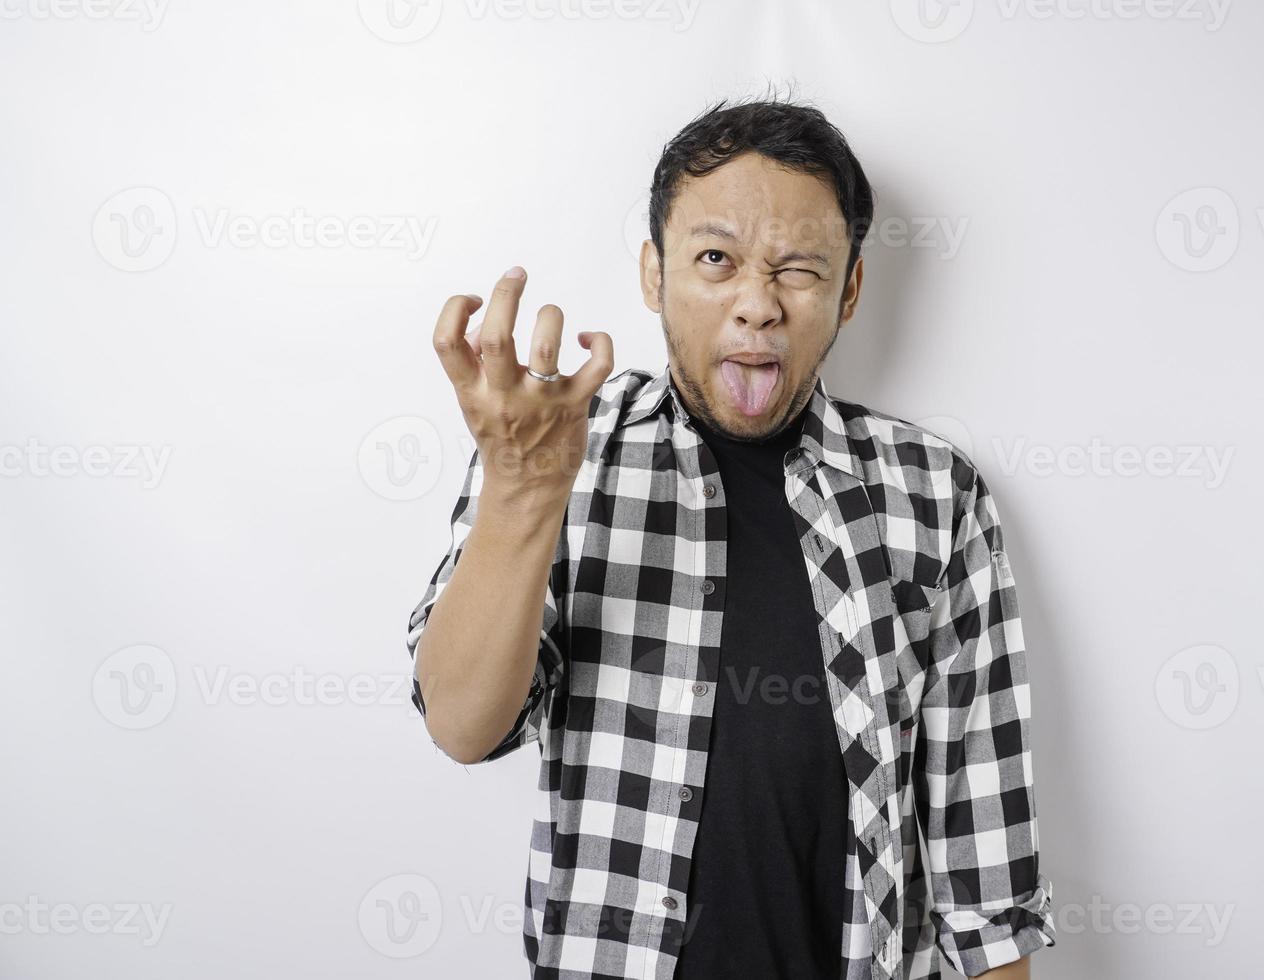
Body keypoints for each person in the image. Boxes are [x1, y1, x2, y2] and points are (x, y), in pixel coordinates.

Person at [405, 94, 1056, 980]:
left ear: (850, 290)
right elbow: (462, 724)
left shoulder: (934, 496)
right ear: (653, 273)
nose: (758, 305)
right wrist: (523, 494)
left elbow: (986, 885)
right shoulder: (549, 448)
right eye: (716, 259)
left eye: (799, 270)